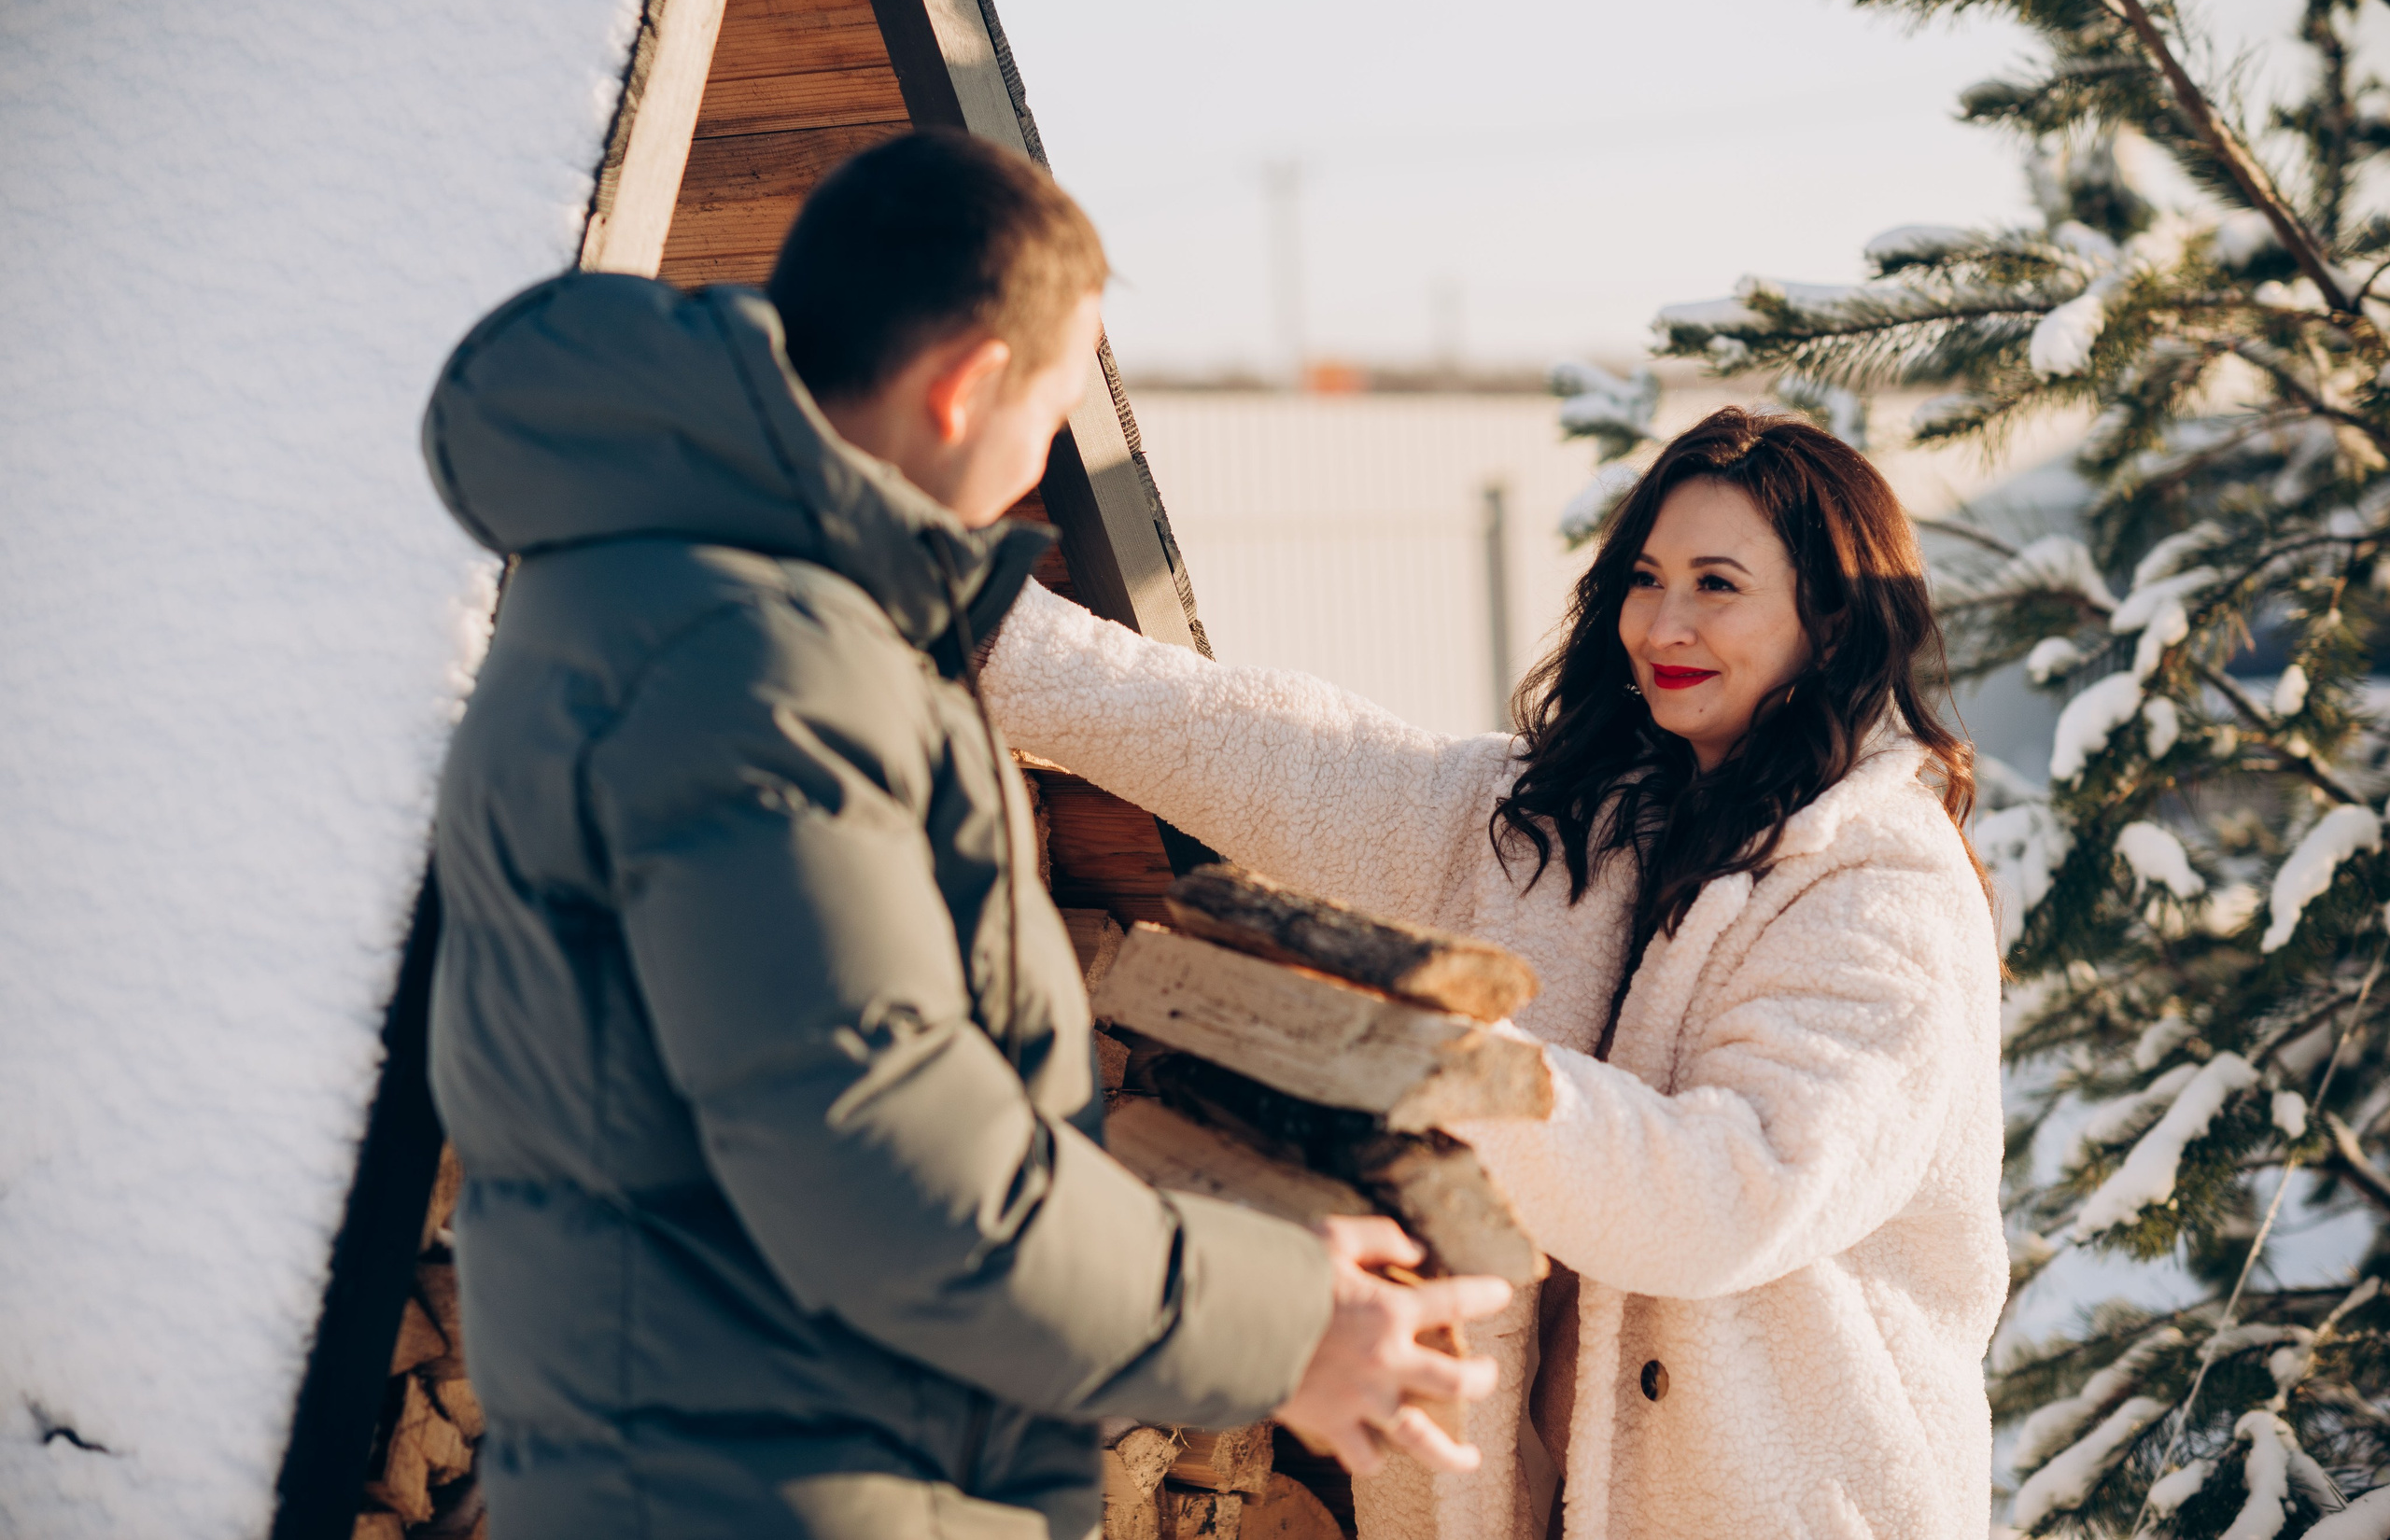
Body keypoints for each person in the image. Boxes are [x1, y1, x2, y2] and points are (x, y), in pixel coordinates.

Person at [418, 129, 1508, 1540]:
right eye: (1056, 403)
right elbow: (887, 1160)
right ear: (970, 384)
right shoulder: (758, 669)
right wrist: (1285, 1323)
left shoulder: (697, 605)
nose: (1048, 450)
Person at [979, 407, 2006, 1540]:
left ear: (1833, 619)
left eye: (1718, 583)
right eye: (1646, 577)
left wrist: (1453, 1064)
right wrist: (975, 625)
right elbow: (1275, 751)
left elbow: (1735, 1193)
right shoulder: (1565, 821)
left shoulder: (1881, 887)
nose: (1663, 622)